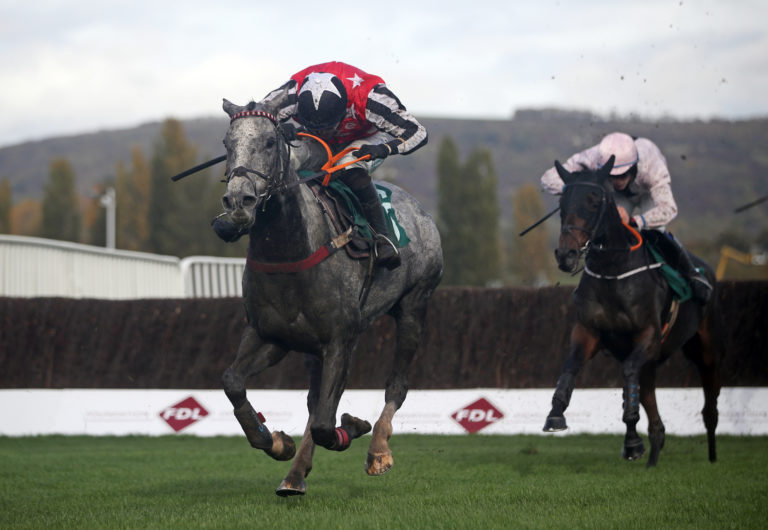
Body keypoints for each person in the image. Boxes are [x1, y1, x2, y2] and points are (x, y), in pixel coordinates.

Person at [216, 61, 428, 270]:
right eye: (319, 126)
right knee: (283, 160)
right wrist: (280, 128)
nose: (327, 131)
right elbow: (256, 123)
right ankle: (242, 218)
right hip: (314, 139)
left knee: (349, 168)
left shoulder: (372, 97)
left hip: (369, 138)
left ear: (344, 108)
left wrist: (385, 149)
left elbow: (418, 132)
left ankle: (383, 237)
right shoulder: (291, 94)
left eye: (329, 126)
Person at [540, 131, 712, 304]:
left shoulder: (652, 165)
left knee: (656, 231)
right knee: (604, 229)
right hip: (619, 197)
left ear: (634, 166)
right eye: (612, 176)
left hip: (647, 194)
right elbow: (548, 178)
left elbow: (669, 209)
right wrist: (572, 190)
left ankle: (691, 273)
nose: (618, 181)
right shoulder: (593, 156)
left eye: (623, 174)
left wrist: (634, 221)